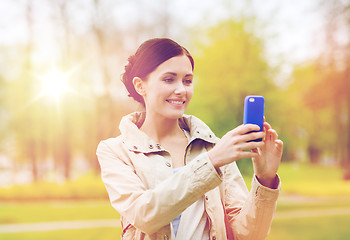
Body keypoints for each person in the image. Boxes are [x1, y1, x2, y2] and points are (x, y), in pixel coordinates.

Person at [96, 38, 283, 240]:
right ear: (140, 86)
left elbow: (248, 235)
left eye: (187, 80)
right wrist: (211, 162)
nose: (181, 90)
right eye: (169, 79)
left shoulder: (215, 147)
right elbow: (145, 215)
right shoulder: (115, 151)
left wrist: (265, 180)